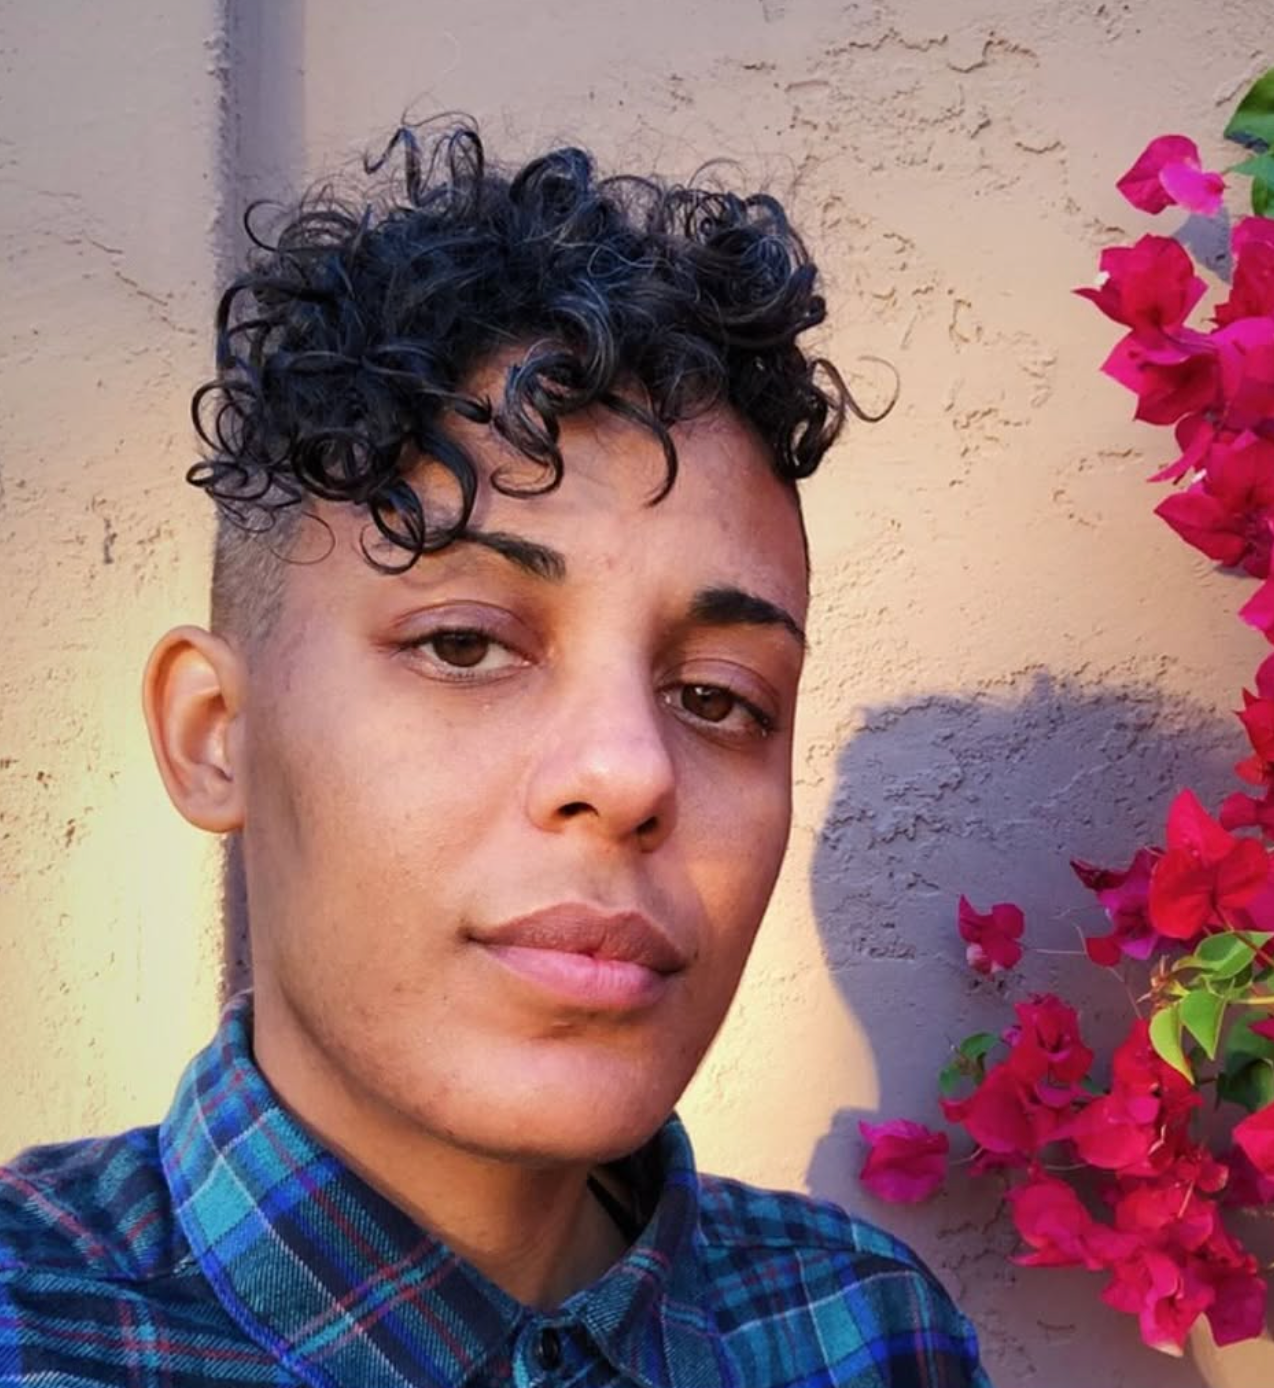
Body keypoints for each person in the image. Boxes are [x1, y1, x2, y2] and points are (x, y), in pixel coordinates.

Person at [0, 121, 990, 1387]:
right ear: (215, 734)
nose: (629, 773)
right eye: (464, 645)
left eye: (716, 696)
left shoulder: (862, 1333)